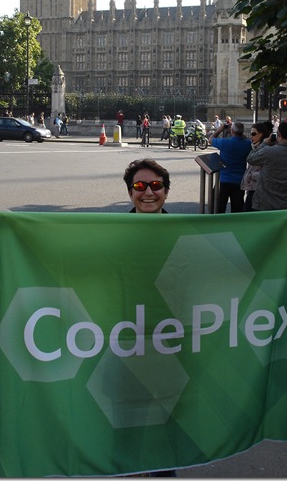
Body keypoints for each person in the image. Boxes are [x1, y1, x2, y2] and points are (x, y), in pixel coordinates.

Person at [122, 159, 176, 478]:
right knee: (124, 424)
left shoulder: (184, 233)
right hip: (125, 341)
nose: (148, 193)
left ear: (166, 192)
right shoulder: (109, 234)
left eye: (156, 186)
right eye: (140, 187)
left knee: (163, 428)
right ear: (130, 193)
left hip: (169, 344)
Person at [246, 121, 287, 211]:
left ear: (279, 134)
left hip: (264, 202)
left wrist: (264, 143)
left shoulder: (268, 151)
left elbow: (251, 159)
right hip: (286, 203)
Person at [209, 121, 252, 213]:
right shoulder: (247, 144)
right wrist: (239, 133)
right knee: (237, 208)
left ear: (231, 130)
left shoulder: (225, 142)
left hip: (224, 179)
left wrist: (219, 130)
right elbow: (243, 138)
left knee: (219, 207)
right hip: (239, 181)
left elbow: (211, 139)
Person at [241, 121, 272, 211]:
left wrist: (252, 176)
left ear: (261, 134)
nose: (251, 136)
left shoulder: (265, 149)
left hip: (259, 189)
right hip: (252, 187)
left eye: (254, 134)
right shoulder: (255, 147)